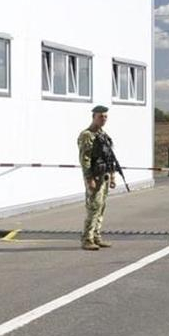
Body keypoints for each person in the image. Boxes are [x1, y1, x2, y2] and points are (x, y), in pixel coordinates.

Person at [78, 105, 116, 251]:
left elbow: (109, 157)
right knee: (94, 207)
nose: (104, 119)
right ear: (94, 117)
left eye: (105, 116)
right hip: (94, 176)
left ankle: (96, 236)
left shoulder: (103, 134)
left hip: (104, 175)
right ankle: (87, 239)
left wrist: (112, 176)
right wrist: (89, 179)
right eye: (101, 116)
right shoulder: (87, 135)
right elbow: (85, 158)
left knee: (101, 208)